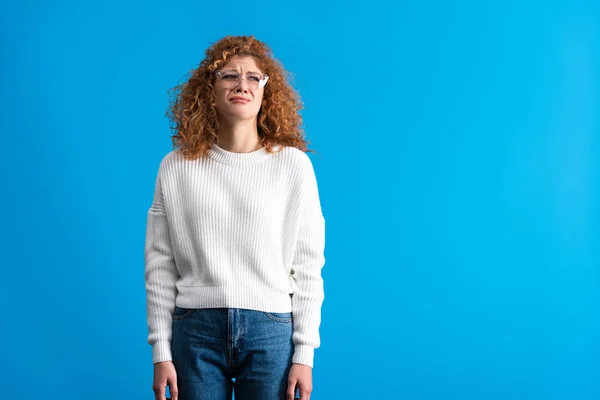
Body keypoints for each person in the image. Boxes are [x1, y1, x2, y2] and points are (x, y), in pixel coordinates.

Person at [144, 35, 326, 400]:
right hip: (194, 330)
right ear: (208, 91)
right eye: (229, 76)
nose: (242, 84)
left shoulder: (294, 166)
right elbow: (160, 265)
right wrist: (160, 351)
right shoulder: (176, 167)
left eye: (253, 77)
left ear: (265, 92)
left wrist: (304, 355)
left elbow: (307, 264)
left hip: (271, 329)